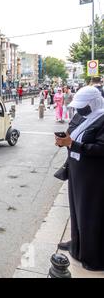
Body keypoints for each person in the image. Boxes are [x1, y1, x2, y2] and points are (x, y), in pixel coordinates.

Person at [55, 86, 104, 271]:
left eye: (83, 106)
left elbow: (101, 149)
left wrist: (73, 145)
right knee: (76, 210)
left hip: (94, 176)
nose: (79, 110)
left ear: (93, 103)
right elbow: (70, 133)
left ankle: (92, 254)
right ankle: (77, 245)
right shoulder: (79, 116)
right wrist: (63, 141)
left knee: (90, 213)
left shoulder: (102, 118)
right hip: (77, 170)